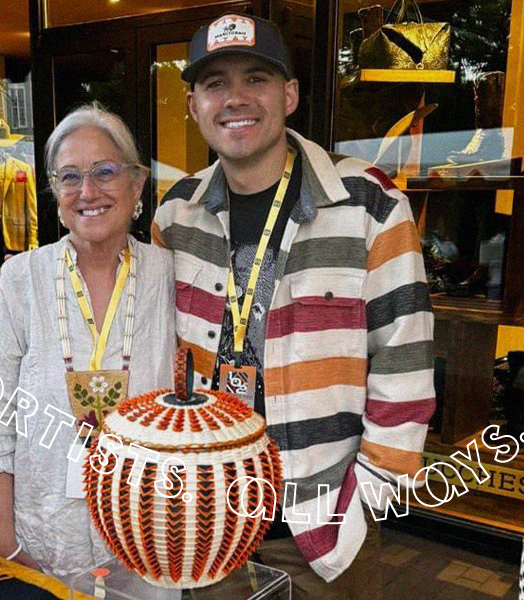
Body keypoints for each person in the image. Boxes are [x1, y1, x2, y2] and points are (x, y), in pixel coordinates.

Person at [151, 14, 435, 600]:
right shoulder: (175, 214)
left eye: (256, 78)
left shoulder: (369, 206)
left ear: (290, 95)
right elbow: (138, 334)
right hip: (208, 522)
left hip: (323, 533)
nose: (235, 99)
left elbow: (405, 365)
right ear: (193, 105)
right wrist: (21, 288)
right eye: (214, 83)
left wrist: (364, 503)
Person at [0, 103, 176, 580]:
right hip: (42, 542)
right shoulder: (22, 277)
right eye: (69, 177)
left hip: (148, 537)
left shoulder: (171, 275)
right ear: (55, 192)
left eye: (105, 172)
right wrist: (3, 537)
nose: (88, 192)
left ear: (136, 184)